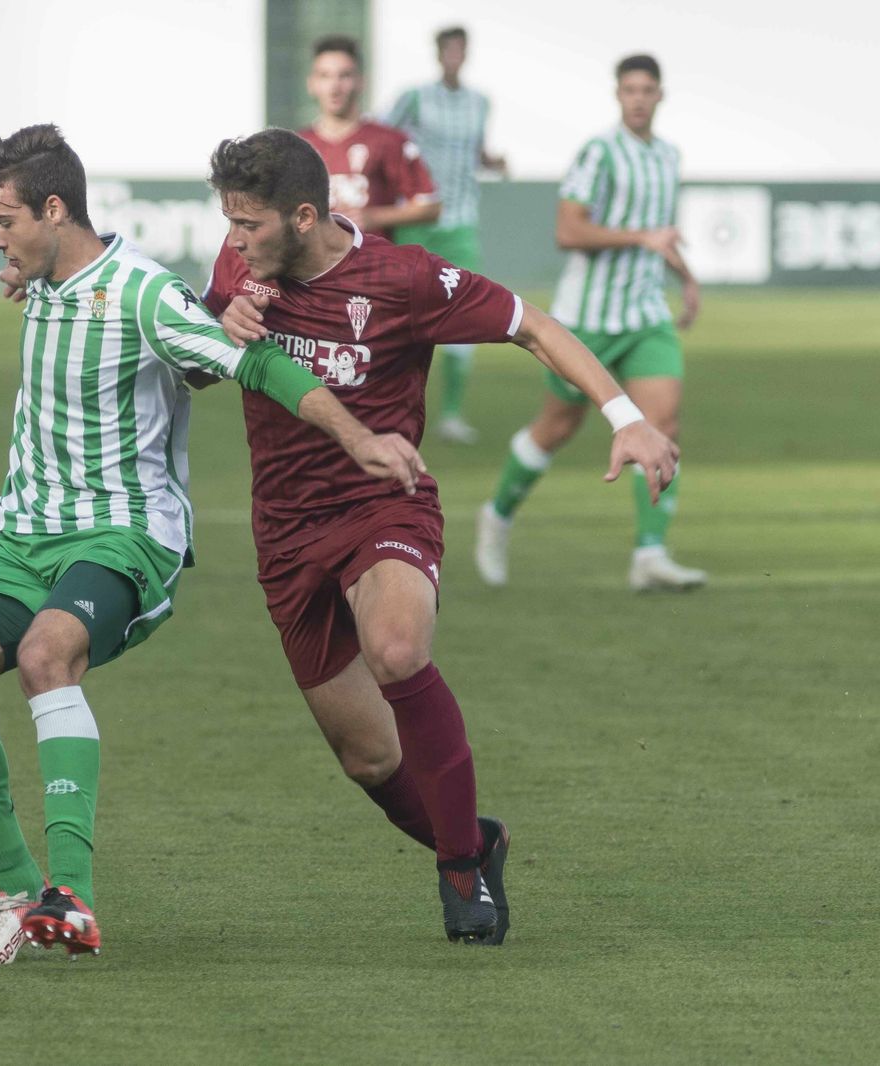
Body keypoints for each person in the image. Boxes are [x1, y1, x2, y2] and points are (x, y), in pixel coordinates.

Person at [0, 123, 387, 966]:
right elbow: (54, 289)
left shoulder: (144, 294)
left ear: (55, 209)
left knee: (45, 654)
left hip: (125, 532)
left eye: (4, 221)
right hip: (24, 532)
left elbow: (259, 368)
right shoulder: (44, 277)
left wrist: (359, 438)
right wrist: (24, 272)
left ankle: (71, 895)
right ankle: (18, 894)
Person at [204, 128, 679, 944]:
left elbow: (535, 325)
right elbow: (206, 326)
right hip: (285, 534)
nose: (235, 240)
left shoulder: (405, 278)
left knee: (396, 649)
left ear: (306, 215)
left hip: (385, 503)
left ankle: (459, 871)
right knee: (371, 762)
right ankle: (478, 840)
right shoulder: (240, 260)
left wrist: (626, 416)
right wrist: (226, 311)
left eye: (249, 225)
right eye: (231, 225)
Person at [475, 54, 706, 592]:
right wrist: (641, 238)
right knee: (557, 427)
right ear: (618, 94)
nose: (639, 98)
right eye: (630, 89)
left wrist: (686, 277)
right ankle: (498, 514)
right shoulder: (599, 153)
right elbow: (568, 230)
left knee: (663, 423)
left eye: (648, 88)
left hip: (645, 314)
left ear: (660, 95)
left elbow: (659, 232)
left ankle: (650, 554)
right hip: (588, 319)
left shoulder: (669, 156)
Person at [385, 26, 508, 445]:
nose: (454, 55)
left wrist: (493, 160)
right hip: (418, 218)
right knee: (395, 315)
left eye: (460, 49)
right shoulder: (414, 97)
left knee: (465, 313)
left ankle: (452, 414)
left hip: (461, 222)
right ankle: (384, 402)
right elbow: (382, 139)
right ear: (439, 54)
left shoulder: (480, 103)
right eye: (448, 49)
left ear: (466, 54)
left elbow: (475, 152)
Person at [299, 35, 439, 242]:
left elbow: (430, 206)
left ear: (360, 81)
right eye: (325, 76)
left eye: (344, 75)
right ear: (312, 84)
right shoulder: (298, 146)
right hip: (313, 269)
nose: (334, 86)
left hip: (373, 265)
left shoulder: (388, 140)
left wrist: (375, 216)